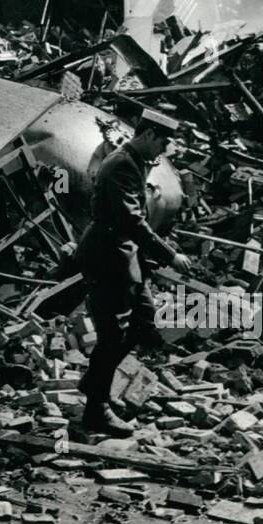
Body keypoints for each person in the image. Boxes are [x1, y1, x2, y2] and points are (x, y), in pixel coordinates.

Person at [76, 108, 192, 436]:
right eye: (163, 143)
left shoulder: (137, 161)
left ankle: (94, 379)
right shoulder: (120, 166)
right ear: (149, 135)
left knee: (144, 323)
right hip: (106, 257)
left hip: (127, 256)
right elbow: (131, 221)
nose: (164, 151)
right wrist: (170, 255)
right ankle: (96, 409)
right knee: (112, 335)